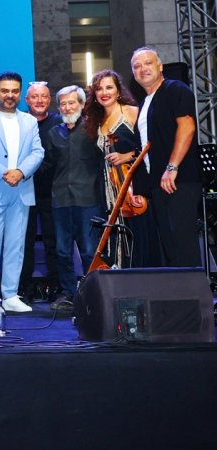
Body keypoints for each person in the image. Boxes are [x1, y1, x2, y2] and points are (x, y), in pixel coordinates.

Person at [0, 71, 45, 313]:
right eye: (5, 91)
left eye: (14, 91)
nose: (9, 95)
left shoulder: (30, 121)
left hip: (21, 189)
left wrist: (21, 172)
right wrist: (4, 172)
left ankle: (11, 294)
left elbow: (38, 152)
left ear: (20, 93)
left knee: (16, 244)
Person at [130, 47, 202, 267]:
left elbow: (187, 127)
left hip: (179, 179)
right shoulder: (144, 103)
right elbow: (148, 145)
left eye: (148, 63)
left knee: (183, 243)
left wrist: (172, 167)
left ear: (160, 66)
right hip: (158, 184)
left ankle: (193, 289)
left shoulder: (175, 89)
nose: (142, 69)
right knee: (169, 246)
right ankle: (179, 288)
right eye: (137, 66)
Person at [43, 85, 103, 312]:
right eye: (63, 104)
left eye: (72, 103)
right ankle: (68, 293)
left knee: (88, 250)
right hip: (60, 199)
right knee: (62, 250)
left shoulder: (93, 129)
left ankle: (93, 293)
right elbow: (47, 164)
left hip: (88, 199)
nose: (67, 107)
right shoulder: (53, 133)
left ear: (82, 104)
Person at [84, 69, 147, 266]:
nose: (104, 92)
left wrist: (127, 156)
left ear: (118, 91)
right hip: (107, 188)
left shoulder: (132, 112)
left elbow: (151, 144)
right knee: (113, 233)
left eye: (109, 87)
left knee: (138, 231)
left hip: (132, 184)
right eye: (99, 89)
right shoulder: (95, 119)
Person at [21, 81, 62, 304]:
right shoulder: (20, 123)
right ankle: (24, 289)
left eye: (44, 96)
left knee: (54, 242)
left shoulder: (59, 122)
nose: (39, 100)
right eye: (34, 97)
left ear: (49, 99)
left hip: (52, 193)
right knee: (23, 243)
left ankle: (56, 288)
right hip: (23, 192)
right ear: (27, 100)